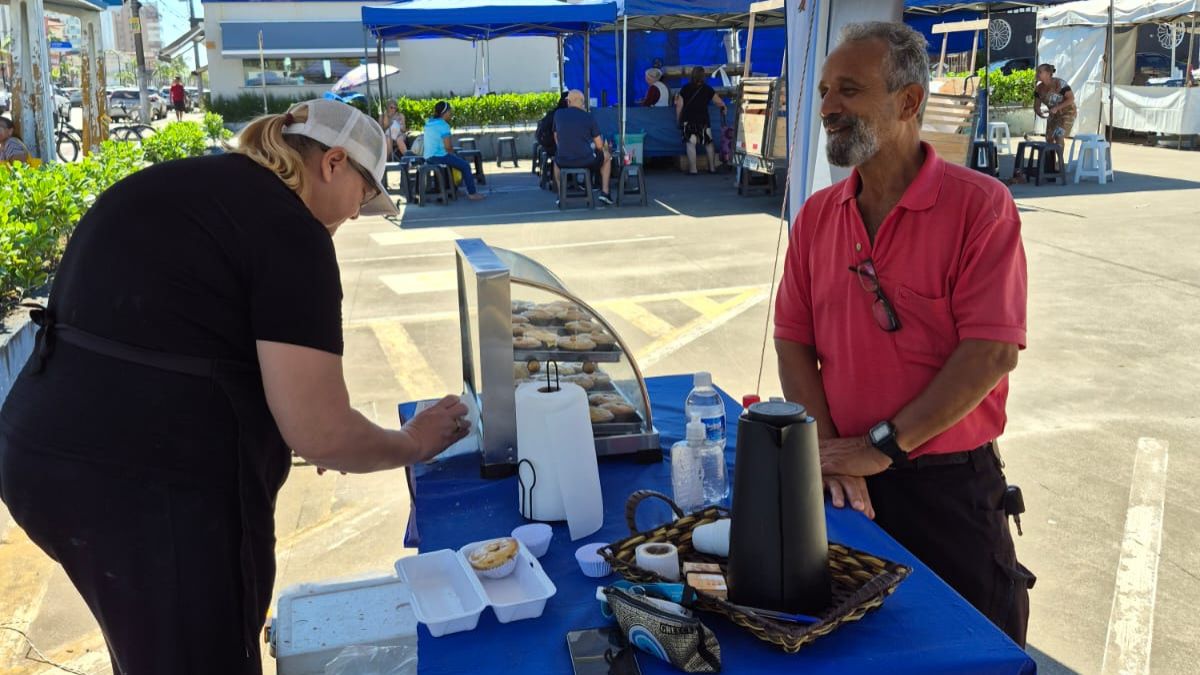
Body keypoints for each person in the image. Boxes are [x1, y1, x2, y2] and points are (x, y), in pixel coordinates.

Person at [0, 98, 470, 674]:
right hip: (147, 489)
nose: (353, 216)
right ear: (334, 164)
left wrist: (304, 429)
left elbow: (178, 329)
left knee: (153, 648)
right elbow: (319, 431)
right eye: (363, 196)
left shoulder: (188, 185)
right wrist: (413, 442)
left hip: (39, 450)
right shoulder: (289, 228)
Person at [773, 22, 1033, 646]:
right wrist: (833, 453)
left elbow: (991, 352)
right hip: (844, 483)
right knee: (845, 648)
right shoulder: (816, 216)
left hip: (948, 493)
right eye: (826, 91)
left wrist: (882, 446)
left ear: (909, 102)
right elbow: (793, 339)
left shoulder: (981, 207)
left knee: (970, 651)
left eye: (850, 91)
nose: (829, 107)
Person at [553, 89, 613, 205]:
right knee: (606, 156)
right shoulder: (588, 117)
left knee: (556, 160)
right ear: (582, 102)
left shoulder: (558, 114)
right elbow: (599, 145)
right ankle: (605, 192)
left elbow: (556, 137)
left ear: (569, 101)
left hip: (564, 160)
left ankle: (560, 194)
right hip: (586, 161)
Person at [421, 101, 485, 201]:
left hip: (428, 157)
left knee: (453, 161)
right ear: (444, 112)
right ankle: (472, 193)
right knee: (465, 166)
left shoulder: (429, 123)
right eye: (450, 111)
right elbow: (448, 148)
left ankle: (453, 189)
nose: (451, 113)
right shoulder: (444, 126)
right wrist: (454, 154)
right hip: (439, 157)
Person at [675, 66, 727, 175]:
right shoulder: (707, 89)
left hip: (688, 119)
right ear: (703, 76)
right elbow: (719, 102)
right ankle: (712, 168)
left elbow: (679, 105)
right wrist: (724, 108)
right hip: (703, 120)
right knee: (708, 144)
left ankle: (693, 170)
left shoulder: (685, 88)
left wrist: (678, 119)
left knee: (690, 144)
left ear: (692, 75)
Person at [1033, 63, 1075, 150]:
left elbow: (1071, 98)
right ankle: (1050, 162)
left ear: (1048, 74)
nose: (1036, 74)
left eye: (1039, 72)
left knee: (1058, 136)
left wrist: (1057, 108)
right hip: (1054, 115)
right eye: (1036, 71)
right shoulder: (1038, 88)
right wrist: (1039, 112)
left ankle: (1060, 162)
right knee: (1049, 138)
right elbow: (1037, 105)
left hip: (1067, 113)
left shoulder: (1060, 83)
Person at [536, 91, 570, 162]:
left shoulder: (555, 112)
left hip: (544, 141)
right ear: (568, 101)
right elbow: (557, 136)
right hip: (551, 145)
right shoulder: (561, 115)